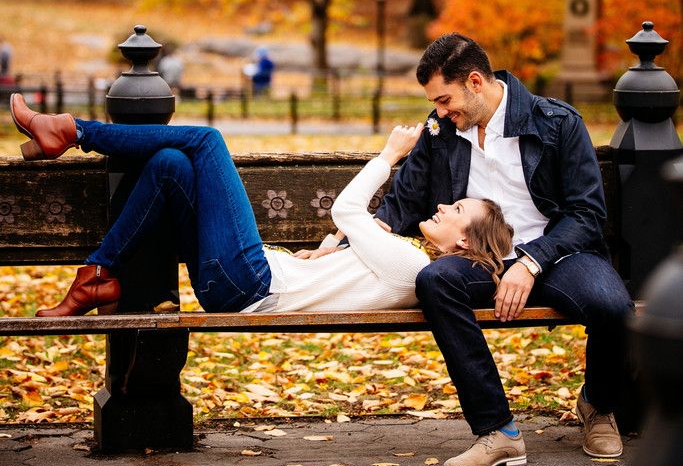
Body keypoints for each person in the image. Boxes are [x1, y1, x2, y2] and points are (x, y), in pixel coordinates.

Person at [9, 93, 512, 330]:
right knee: (167, 165)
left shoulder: (412, 267)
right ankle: (99, 273)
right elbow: (355, 238)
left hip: (250, 283)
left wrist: (388, 156)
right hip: (243, 281)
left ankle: (73, 131)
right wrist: (331, 251)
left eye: (457, 209)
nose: (444, 205)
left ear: (465, 242)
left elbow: (346, 209)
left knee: (207, 141)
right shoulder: (408, 263)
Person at [367, 33, 634, 466]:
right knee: (435, 282)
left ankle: (598, 405)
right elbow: (402, 203)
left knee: (612, 305)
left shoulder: (558, 123)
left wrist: (531, 262)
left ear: (475, 81)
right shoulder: (442, 133)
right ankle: (498, 431)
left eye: (444, 99)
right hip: (481, 261)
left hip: (558, 254)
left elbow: (587, 214)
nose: (439, 111)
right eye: (434, 102)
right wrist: (338, 244)